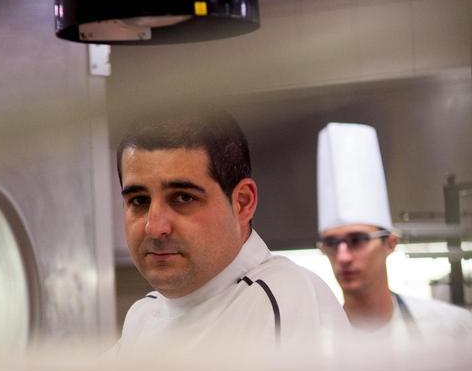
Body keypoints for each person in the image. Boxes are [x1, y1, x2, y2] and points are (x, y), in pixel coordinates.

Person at [114, 111, 347, 353]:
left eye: (183, 198)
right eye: (139, 200)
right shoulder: (141, 318)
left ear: (243, 203)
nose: (155, 227)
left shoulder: (284, 300)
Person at [316, 122, 472, 343]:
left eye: (357, 240)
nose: (343, 257)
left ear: (390, 243)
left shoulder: (451, 329)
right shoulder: (317, 344)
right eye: (332, 243)